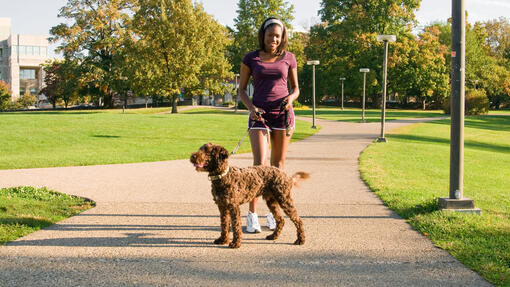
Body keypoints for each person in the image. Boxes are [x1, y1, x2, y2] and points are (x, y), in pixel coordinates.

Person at [238, 17, 300, 233]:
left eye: (277, 35)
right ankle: (252, 215)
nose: (273, 38)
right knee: (259, 167)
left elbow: (296, 89)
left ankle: (274, 214)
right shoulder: (251, 58)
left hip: (282, 115)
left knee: (278, 167)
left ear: (282, 37)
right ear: (263, 35)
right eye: (270, 34)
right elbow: (241, 90)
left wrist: (290, 100)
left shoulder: (289, 58)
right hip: (259, 115)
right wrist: (251, 108)